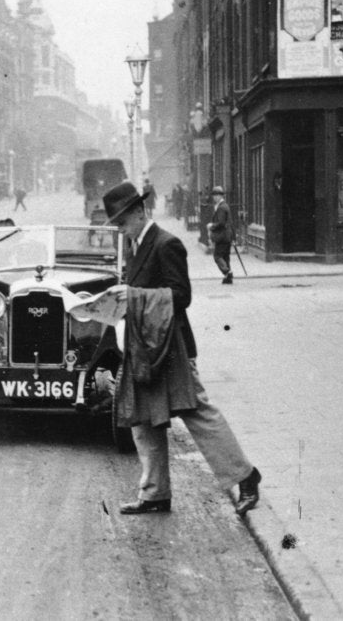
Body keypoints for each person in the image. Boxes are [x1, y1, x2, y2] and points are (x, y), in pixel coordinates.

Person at [101, 181, 261, 517]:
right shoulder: (134, 245)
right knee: (143, 418)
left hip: (172, 348)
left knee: (196, 411)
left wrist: (135, 297)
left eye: (122, 222)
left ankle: (245, 476)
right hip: (146, 346)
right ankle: (155, 493)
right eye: (116, 224)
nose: (120, 229)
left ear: (139, 212)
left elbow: (181, 296)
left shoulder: (166, 243)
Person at [208, 185, 234, 284]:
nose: (214, 197)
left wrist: (211, 226)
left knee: (217, 256)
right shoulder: (225, 205)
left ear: (220, 196)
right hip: (227, 236)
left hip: (222, 236)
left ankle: (227, 272)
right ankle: (228, 278)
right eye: (214, 195)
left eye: (216, 195)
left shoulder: (221, 207)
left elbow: (221, 223)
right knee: (226, 257)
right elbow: (230, 223)